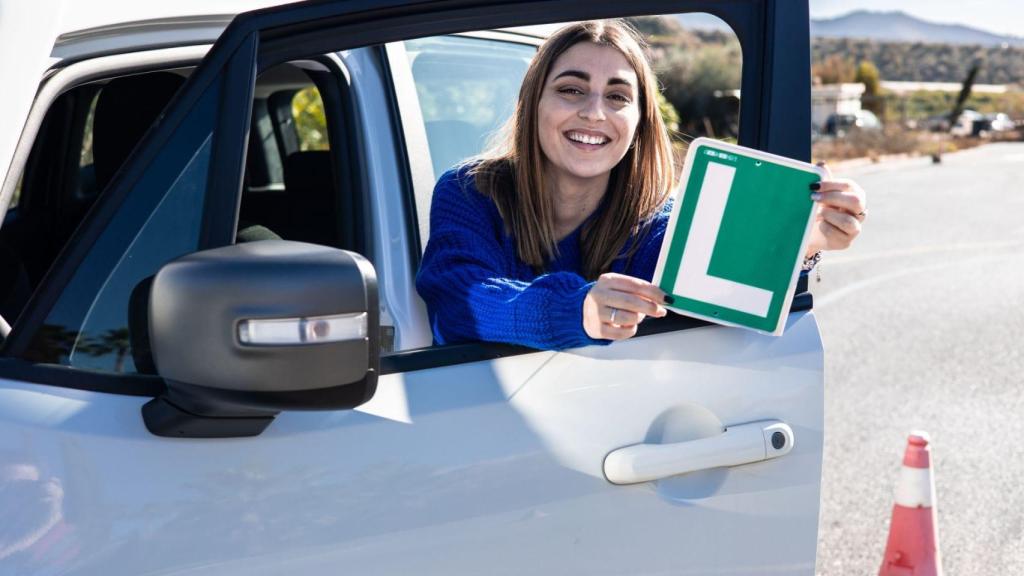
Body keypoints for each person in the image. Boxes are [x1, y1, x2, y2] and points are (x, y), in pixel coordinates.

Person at [415, 20, 866, 350]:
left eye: (617, 97)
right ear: (533, 103)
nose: (594, 113)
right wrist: (578, 309)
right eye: (571, 90)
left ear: (638, 122)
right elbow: (460, 299)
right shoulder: (470, 193)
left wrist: (798, 242)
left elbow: (713, 299)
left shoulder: (657, 224)